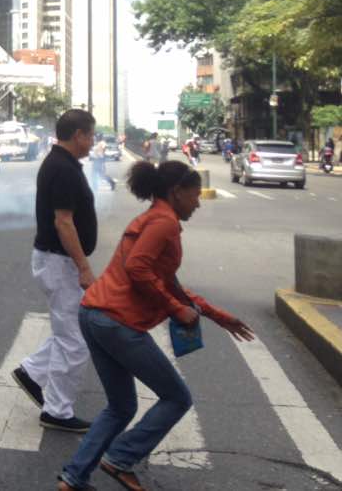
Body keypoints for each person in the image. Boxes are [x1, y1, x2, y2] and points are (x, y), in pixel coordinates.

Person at [57, 161, 254, 491]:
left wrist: (216, 315)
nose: (198, 202)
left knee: (121, 406)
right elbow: (138, 268)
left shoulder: (154, 218)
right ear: (177, 192)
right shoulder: (164, 222)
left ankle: (74, 477)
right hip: (116, 322)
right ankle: (120, 458)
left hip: (94, 313)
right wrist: (177, 310)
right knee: (177, 398)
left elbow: (169, 282)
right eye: (194, 195)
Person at [12, 109, 98, 433]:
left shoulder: (63, 164)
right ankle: (57, 411)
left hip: (56, 261)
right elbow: (63, 222)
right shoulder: (62, 168)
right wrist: (84, 268)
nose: (92, 142)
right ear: (78, 135)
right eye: (90, 136)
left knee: (69, 331)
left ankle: (32, 372)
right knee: (75, 341)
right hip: (59, 262)